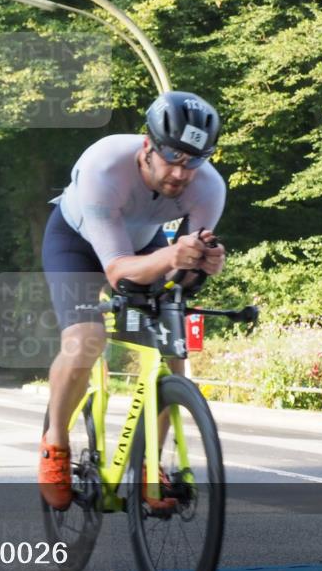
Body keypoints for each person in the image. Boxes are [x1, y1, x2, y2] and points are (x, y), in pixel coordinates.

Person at [38, 91, 228, 510]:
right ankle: (54, 441)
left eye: (192, 162)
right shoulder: (103, 168)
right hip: (78, 243)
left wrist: (203, 263)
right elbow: (117, 272)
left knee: (173, 350)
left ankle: (148, 467)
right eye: (172, 158)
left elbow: (181, 273)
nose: (181, 173)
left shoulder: (209, 188)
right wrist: (171, 256)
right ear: (148, 146)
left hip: (144, 244)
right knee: (86, 338)